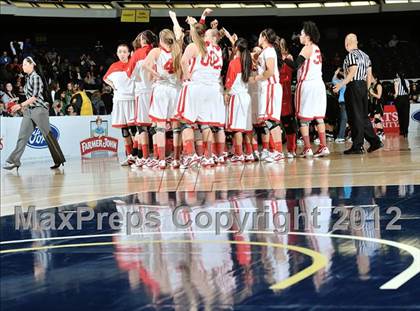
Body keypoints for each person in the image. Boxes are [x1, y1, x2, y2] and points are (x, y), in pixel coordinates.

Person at [3, 56, 66, 170]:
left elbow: (35, 97)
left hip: (39, 110)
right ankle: (14, 161)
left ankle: (59, 159)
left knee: (48, 136)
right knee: (22, 137)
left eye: (25, 64)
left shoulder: (36, 77)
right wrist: (22, 105)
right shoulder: (27, 78)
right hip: (29, 111)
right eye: (22, 64)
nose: (23, 66)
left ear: (32, 65)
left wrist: (20, 105)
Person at [285, 21, 329, 158]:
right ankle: (323, 146)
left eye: (302, 34)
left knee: (304, 119)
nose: (300, 36)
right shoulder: (317, 48)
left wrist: (285, 59)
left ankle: (308, 148)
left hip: (307, 85)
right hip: (319, 85)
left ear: (308, 36)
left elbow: (296, 65)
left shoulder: (307, 47)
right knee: (319, 117)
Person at [333, 33, 382, 154]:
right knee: (363, 116)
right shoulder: (365, 56)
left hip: (353, 86)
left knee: (355, 116)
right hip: (363, 87)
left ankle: (358, 146)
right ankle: (374, 141)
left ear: (347, 44)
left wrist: (340, 84)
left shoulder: (350, 55)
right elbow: (369, 75)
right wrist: (367, 89)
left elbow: (353, 72)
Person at [143, 29, 182, 169]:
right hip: (175, 90)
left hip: (162, 90)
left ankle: (162, 159)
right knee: (176, 126)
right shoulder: (177, 50)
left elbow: (145, 65)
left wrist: (156, 74)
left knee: (160, 126)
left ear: (160, 39)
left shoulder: (156, 51)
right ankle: (177, 159)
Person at [126, 30, 157, 169]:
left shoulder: (138, 53)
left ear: (143, 40)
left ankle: (145, 157)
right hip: (156, 91)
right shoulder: (157, 51)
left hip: (143, 91)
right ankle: (158, 157)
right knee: (158, 125)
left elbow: (130, 74)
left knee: (141, 125)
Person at [253, 28, 284, 162]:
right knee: (268, 120)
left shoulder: (270, 51)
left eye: (260, 36)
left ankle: (278, 151)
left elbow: (270, 71)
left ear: (264, 37)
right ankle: (275, 151)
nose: (258, 38)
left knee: (271, 120)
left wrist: (258, 78)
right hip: (267, 88)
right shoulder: (265, 51)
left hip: (271, 87)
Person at [103, 44, 137, 166]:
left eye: (124, 51)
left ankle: (137, 154)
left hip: (131, 99)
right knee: (124, 131)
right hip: (119, 101)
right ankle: (129, 156)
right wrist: (113, 87)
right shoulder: (113, 66)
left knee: (134, 130)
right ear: (117, 54)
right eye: (119, 52)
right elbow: (105, 78)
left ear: (129, 53)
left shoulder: (133, 64)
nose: (122, 54)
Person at [224, 38, 253, 163]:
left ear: (236, 48)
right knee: (246, 128)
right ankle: (250, 153)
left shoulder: (234, 63)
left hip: (237, 97)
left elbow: (229, 82)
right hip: (246, 96)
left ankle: (239, 153)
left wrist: (226, 93)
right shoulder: (248, 62)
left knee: (237, 128)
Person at [332, 68, 347, 143]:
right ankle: (340, 137)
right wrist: (335, 73)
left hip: (350, 102)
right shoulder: (340, 82)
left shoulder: (349, 80)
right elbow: (333, 81)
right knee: (344, 119)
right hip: (342, 102)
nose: (343, 73)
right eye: (341, 72)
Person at [394, 72, 410, 137]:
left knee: (400, 115)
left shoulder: (396, 80)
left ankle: (401, 131)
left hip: (399, 99)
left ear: (398, 74)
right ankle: (406, 131)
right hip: (406, 99)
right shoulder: (407, 81)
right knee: (406, 116)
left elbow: (396, 93)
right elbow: (408, 92)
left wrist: (393, 96)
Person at [368, 73, 384, 140]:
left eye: (372, 78)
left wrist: (372, 93)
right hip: (373, 103)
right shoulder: (372, 85)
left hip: (378, 103)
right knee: (376, 119)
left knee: (377, 118)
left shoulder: (378, 85)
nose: (370, 79)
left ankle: (381, 133)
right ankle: (380, 132)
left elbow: (379, 96)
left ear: (376, 79)